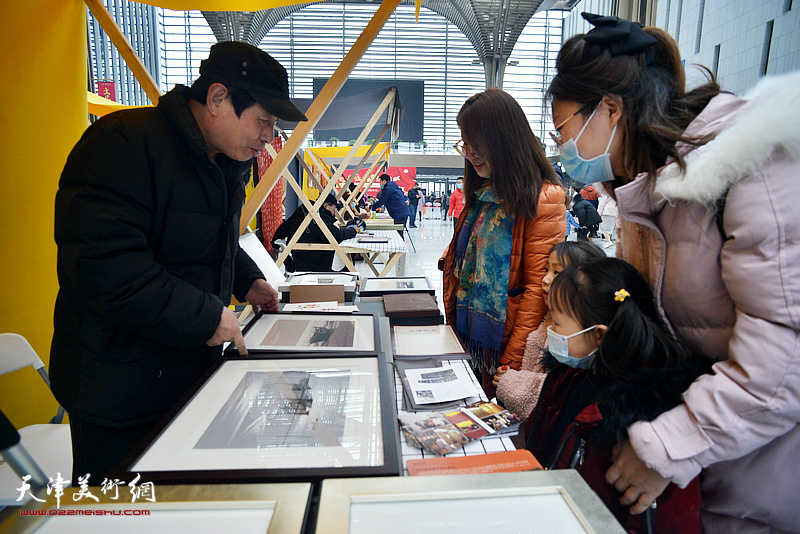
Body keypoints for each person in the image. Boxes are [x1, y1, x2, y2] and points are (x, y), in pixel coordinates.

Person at [548, 12, 800, 531]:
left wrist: (670, 446)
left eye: (564, 131)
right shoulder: (646, 190)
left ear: (610, 110)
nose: (562, 151)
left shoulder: (753, 170)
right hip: (697, 483)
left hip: (755, 481)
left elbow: (783, 365)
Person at [50, 41, 305, 481]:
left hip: (184, 377)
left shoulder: (223, 161)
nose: (269, 136)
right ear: (218, 99)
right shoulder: (121, 145)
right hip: (118, 391)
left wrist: (245, 282)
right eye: (263, 121)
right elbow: (107, 269)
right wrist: (207, 317)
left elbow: (207, 240)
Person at [526, 257, 705, 533]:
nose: (550, 329)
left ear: (598, 335)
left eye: (556, 323)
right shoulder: (572, 375)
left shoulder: (644, 424)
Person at [440, 89, 565, 396]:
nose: (470, 153)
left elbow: (538, 289)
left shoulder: (543, 198)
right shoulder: (481, 193)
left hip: (504, 342)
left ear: (504, 140)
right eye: (465, 144)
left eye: (477, 144)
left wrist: (512, 361)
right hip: (468, 332)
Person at [493, 240, 605, 420]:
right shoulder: (547, 317)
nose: (545, 280)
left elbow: (553, 393)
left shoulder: (580, 336)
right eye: (546, 270)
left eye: (557, 273)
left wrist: (510, 382)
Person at [271, 193, 359, 272]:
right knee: (348, 263)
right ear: (326, 206)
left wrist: (275, 247)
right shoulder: (321, 217)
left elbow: (280, 232)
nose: (334, 213)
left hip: (297, 261)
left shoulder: (298, 215)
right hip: (316, 263)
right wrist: (353, 230)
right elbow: (338, 236)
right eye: (334, 209)